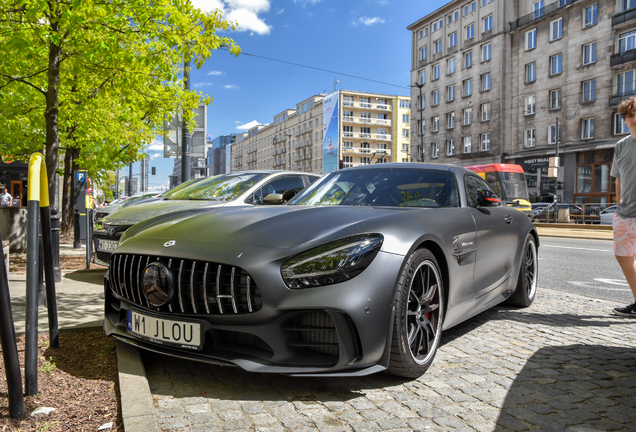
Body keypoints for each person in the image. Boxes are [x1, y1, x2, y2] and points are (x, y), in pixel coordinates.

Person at [610, 97, 636, 317]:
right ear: (625, 120)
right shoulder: (620, 146)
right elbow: (617, 178)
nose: (634, 119)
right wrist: (619, 202)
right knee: (624, 258)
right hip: (625, 214)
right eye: (630, 116)